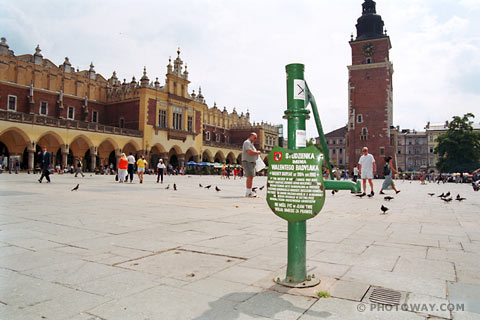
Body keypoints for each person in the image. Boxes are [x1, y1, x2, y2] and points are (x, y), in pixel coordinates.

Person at [242, 132, 261, 198]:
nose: (255, 139)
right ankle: (248, 192)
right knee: (249, 176)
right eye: (255, 137)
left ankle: (249, 191)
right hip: (247, 162)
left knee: (251, 177)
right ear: (251, 136)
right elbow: (249, 151)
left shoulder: (251, 144)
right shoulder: (247, 142)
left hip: (251, 162)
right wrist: (257, 152)